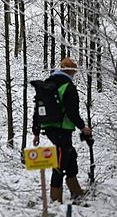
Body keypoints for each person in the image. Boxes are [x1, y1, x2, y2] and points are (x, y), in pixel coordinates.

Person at [32, 57, 93, 203]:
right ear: (72, 72)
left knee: (70, 155)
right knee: (61, 160)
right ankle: (55, 199)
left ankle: (76, 191)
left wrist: (36, 132)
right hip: (62, 129)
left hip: (49, 129)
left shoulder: (48, 85)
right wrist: (83, 127)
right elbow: (72, 113)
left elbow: (37, 110)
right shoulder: (68, 87)